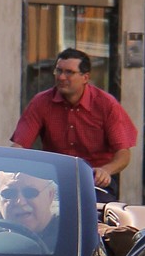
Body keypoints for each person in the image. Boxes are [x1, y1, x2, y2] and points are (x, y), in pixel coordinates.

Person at [10, 48, 137, 196]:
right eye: (58, 71)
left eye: (69, 72)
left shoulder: (106, 104)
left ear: (85, 77)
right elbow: (19, 146)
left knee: (93, 213)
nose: (62, 77)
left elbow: (123, 154)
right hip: (54, 179)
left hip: (95, 179)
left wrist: (105, 170)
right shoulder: (41, 102)